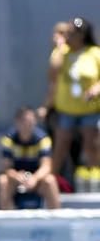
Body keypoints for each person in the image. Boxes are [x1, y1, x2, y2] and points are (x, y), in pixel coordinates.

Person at [41, 17, 100, 178]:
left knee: (91, 143)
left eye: (71, 33)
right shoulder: (62, 53)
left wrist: (96, 88)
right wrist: (60, 48)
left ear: (82, 35)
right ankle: (52, 179)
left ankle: (96, 176)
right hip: (66, 110)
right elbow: (52, 74)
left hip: (89, 109)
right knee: (61, 144)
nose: (68, 36)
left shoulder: (94, 53)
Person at [0, 106, 60, 210]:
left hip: (36, 179)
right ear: (17, 122)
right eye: (24, 121)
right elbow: (5, 167)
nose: (27, 125)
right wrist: (16, 176)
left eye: (30, 121)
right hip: (16, 179)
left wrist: (34, 178)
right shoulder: (8, 139)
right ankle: (7, 219)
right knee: (2, 181)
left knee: (50, 181)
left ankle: (56, 218)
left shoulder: (43, 139)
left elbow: (46, 166)